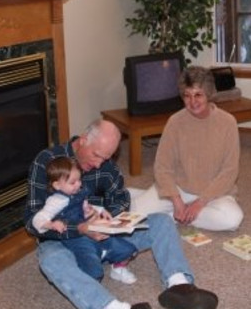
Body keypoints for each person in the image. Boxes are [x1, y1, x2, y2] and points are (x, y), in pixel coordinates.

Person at [25, 119, 219, 309]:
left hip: (108, 237)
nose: (100, 164)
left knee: (162, 221)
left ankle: (179, 286)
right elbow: (32, 223)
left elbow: (121, 199)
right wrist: (81, 229)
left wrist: (107, 217)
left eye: (106, 158)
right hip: (67, 242)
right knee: (51, 260)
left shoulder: (106, 166)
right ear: (83, 140)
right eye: (97, 155)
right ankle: (110, 306)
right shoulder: (46, 162)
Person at [130, 66, 243, 232]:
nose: (192, 102)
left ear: (209, 94)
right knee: (134, 214)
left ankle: (171, 218)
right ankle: (175, 210)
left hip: (213, 194)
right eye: (187, 95)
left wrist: (200, 203)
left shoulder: (228, 122)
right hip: (179, 190)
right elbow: (162, 167)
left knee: (232, 219)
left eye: (198, 95)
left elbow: (230, 171)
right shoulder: (175, 122)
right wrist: (176, 201)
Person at [32, 156, 138, 285]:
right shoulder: (55, 201)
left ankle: (118, 268)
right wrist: (51, 224)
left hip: (91, 228)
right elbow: (37, 219)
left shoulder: (79, 193)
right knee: (92, 266)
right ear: (57, 185)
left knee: (125, 248)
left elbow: (87, 207)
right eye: (72, 182)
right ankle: (87, 280)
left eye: (79, 180)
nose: (78, 184)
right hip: (75, 239)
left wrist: (99, 211)